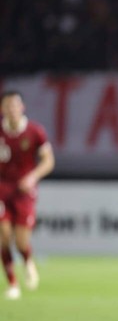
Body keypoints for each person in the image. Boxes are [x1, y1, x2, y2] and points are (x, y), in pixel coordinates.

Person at [0, 91, 55, 300]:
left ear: (22, 107)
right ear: (2, 109)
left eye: (15, 106)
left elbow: (48, 161)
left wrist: (32, 177)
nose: (11, 110)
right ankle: (12, 284)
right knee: (4, 237)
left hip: (24, 191)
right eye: (7, 106)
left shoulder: (35, 132)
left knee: (21, 242)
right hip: (2, 189)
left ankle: (28, 260)